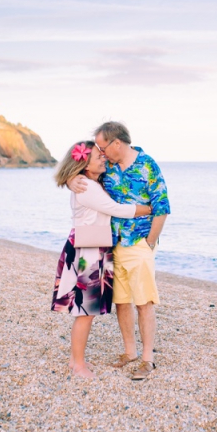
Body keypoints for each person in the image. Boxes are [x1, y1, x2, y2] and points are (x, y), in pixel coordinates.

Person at [68, 121, 170, 381]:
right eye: (98, 150)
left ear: (116, 143)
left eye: (103, 147)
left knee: (143, 302)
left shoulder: (147, 165)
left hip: (138, 243)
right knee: (122, 302)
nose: (100, 153)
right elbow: (83, 175)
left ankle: (147, 360)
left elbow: (162, 206)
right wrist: (71, 179)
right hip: (110, 245)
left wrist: (149, 241)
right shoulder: (107, 168)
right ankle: (130, 353)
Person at [52, 141, 152, 380]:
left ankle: (75, 361)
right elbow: (116, 209)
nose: (103, 158)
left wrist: (69, 179)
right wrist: (149, 209)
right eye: (98, 156)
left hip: (91, 247)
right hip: (88, 251)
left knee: (86, 311)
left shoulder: (88, 182)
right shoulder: (87, 185)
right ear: (85, 164)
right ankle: (78, 365)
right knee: (85, 312)